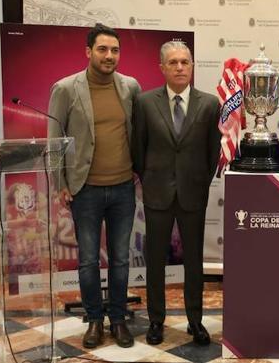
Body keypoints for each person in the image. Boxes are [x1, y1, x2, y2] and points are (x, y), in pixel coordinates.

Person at [48, 23, 141, 348]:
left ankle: (117, 319)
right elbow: (54, 141)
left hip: (122, 189)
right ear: (88, 52)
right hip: (84, 189)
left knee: (120, 259)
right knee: (88, 260)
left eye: (115, 50)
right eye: (102, 49)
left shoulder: (130, 86)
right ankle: (93, 321)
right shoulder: (65, 88)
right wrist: (60, 183)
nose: (109, 56)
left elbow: (137, 134)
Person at [131, 41, 221, 346]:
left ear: (192, 66)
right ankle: (156, 321)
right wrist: (153, 179)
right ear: (162, 68)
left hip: (193, 194)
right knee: (155, 260)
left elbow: (212, 155)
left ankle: (195, 321)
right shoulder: (144, 103)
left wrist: (196, 181)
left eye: (185, 61)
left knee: (194, 261)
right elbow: (138, 150)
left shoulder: (209, 104)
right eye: (173, 62)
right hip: (157, 194)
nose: (180, 67)